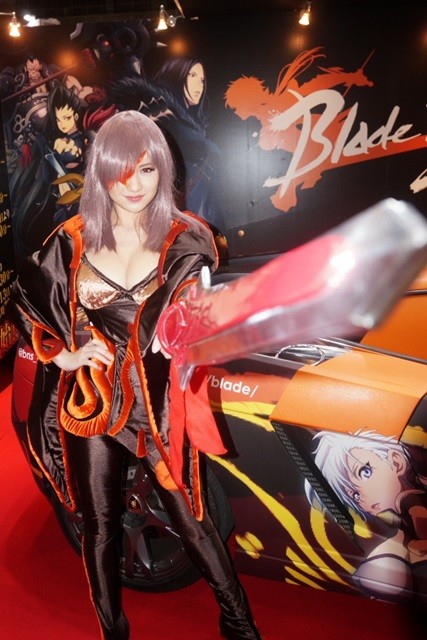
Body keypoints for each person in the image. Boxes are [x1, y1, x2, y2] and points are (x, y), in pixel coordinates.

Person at [9, 110, 263, 640]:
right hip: (93, 403)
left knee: (193, 519)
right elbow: (26, 301)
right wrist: (61, 354)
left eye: (147, 169)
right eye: (121, 170)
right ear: (101, 171)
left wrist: (192, 326)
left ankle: (238, 622)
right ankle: (113, 630)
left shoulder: (188, 238)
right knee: (99, 525)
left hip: (156, 405)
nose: (134, 184)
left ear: (163, 171)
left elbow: (200, 314)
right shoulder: (71, 240)